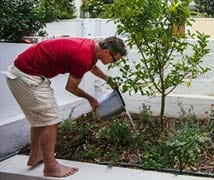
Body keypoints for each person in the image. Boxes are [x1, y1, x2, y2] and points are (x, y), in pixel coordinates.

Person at [4, 36, 127, 178]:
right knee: (51, 120)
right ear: (106, 52)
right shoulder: (83, 58)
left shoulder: (91, 47)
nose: (114, 62)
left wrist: (107, 79)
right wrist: (91, 99)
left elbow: (91, 66)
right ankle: (51, 167)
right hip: (28, 76)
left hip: (23, 71)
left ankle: (36, 155)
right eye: (115, 59)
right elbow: (71, 87)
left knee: (40, 119)